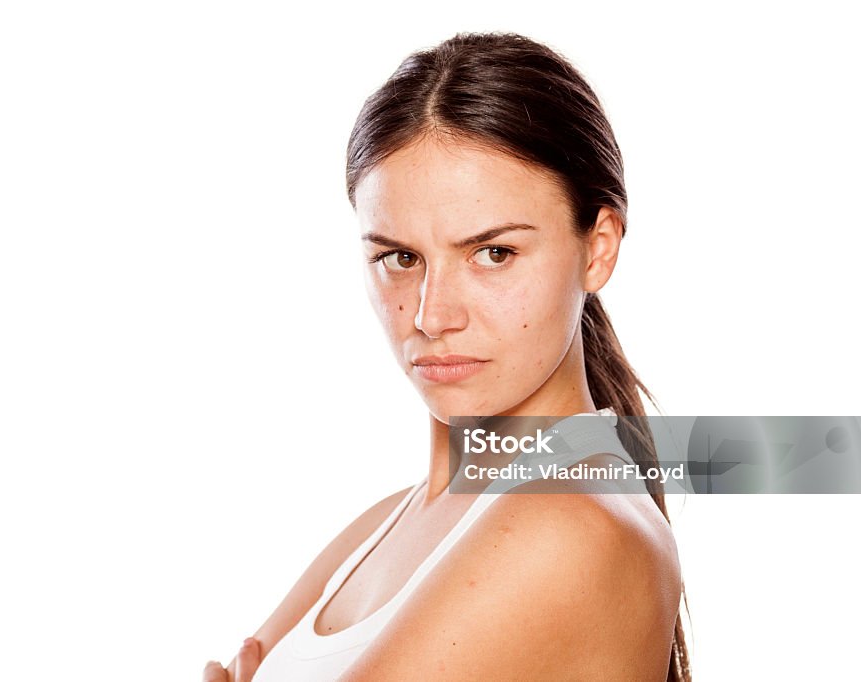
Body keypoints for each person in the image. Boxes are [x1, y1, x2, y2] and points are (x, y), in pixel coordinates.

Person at [203, 31, 692, 681]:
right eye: (400, 258)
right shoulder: (386, 525)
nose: (431, 316)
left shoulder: (571, 525)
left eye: (493, 253)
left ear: (598, 247)